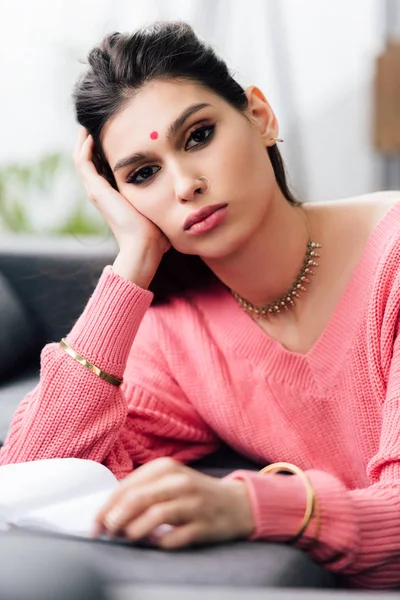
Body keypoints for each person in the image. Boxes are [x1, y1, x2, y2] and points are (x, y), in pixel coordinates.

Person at [1, 20, 400, 589]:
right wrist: (133, 259)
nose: (184, 183)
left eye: (199, 136)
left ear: (259, 116)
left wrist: (250, 507)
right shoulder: (181, 333)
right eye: (143, 174)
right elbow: (30, 479)